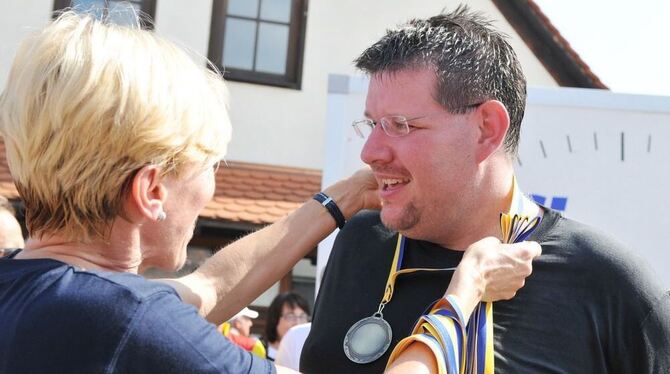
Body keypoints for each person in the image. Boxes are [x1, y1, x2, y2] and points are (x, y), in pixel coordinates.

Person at [0, 10, 537, 374]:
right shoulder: (130, 325)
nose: (210, 189)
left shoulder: (35, 291)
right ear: (150, 190)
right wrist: (461, 297)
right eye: (208, 165)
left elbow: (208, 287)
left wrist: (343, 199)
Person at [301, 6, 670, 373]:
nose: (370, 152)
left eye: (399, 125)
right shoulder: (361, 241)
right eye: (372, 124)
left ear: (486, 129)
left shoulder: (608, 281)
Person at [263, 292, 310, 362]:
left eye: (302, 317)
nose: (298, 323)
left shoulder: (309, 353)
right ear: (275, 319)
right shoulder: (259, 350)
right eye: (291, 316)